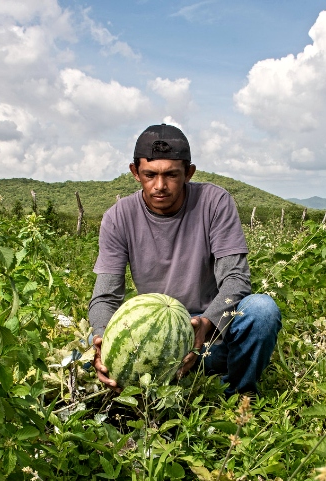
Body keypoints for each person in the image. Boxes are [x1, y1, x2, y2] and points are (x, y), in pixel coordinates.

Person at [89, 123, 281, 396]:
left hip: (210, 334)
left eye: (171, 175)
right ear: (135, 173)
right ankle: (158, 385)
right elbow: (105, 297)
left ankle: (238, 395)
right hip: (156, 342)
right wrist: (102, 340)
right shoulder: (118, 217)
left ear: (189, 173)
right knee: (91, 344)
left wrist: (206, 324)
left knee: (262, 310)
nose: (160, 186)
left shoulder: (214, 202)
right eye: (150, 174)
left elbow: (235, 280)